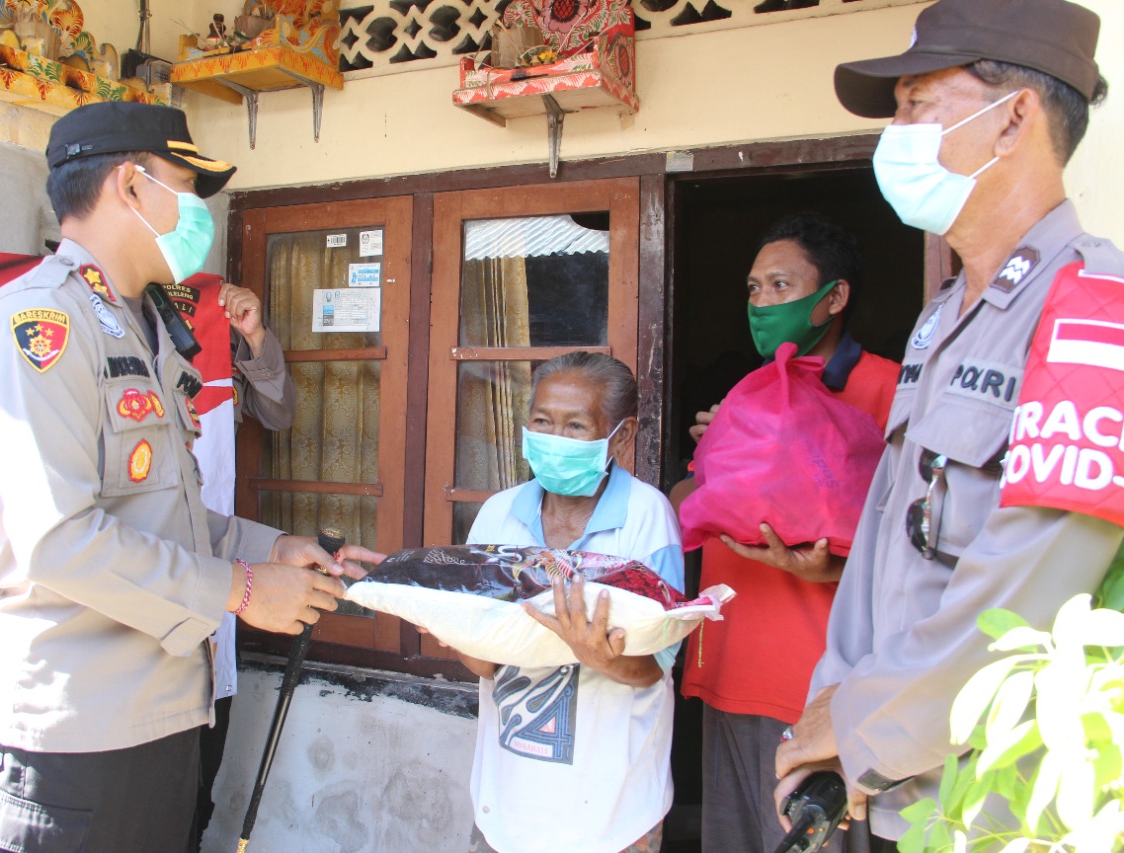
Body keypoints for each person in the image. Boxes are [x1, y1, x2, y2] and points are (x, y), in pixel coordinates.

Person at [0, 101, 381, 852]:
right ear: (130, 185)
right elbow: (61, 542)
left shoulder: (145, 328)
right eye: (186, 187)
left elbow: (169, 515)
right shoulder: (37, 328)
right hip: (71, 736)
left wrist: (271, 547)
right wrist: (242, 591)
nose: (198, 212)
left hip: (160, 720)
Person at [774, 0, 1123, 846]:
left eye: (916, 105)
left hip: (996, 804)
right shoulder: (942, 318)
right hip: (884, 787)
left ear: (1013, 119)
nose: (895, 134)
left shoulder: (1091, 310)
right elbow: (888, 532)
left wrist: (857, 724)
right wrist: (831, 710)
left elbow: (1029, 590)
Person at [671, 214, 898, 853]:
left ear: (834, 297)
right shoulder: (747, 393)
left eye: (779, 284)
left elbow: (919, 542)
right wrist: (719, 446)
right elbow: (691, 506)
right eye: (753, 289)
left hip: (822, 686)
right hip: (728, 667)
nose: (762, 303)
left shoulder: (888, 387)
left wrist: (829, 570)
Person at [428, 352, 684, 853]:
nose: (553, 439)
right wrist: (447, 623)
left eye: (575, 426)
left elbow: (656, 666)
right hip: (507, 806)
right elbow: (486, 662)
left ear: (622, 436)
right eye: (542, 422)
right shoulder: (499, 515)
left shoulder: (645, 519)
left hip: (612, 813)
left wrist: (596, 653)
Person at [192, 280, 298, 850]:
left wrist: (253, 337)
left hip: (219, 569)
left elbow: (279, 414)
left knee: (198, 779)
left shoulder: (208, 329)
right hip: (142, 592)